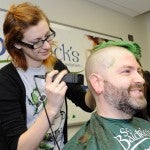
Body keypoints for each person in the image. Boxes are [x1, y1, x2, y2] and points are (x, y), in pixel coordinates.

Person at [0, 2, 95, 150]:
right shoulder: (5, 81)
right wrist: (51, 108)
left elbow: (86, 103)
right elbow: (18, 147)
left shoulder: (56, 66)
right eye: (36, 42)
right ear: (17, 44)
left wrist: (97, 89)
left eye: (47, 36)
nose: (47, 46)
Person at [63, 40, 150, 150]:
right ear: (98, 83)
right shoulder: (85, 146)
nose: (141, 80)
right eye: (127, 71)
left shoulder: (144, 124)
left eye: (139, 71)